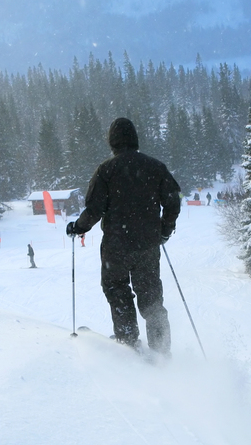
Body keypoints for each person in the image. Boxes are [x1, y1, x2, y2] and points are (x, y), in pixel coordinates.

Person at [66, 117, 181, 354]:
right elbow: (173, 202)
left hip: (116, 246)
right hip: (147, 245)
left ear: (112, 142)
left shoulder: (107, 170)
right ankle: (161, 351)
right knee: (150, 297)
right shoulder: (155, 167)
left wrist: (78, 227)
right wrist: (164, 231)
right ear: (135, 139)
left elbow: (95, 208)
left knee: (116, 288)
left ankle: (128, 341)